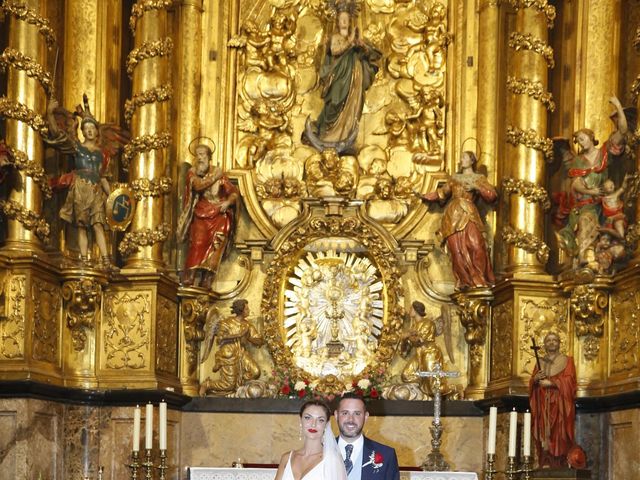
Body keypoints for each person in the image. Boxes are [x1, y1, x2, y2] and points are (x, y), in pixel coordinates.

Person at [45, 96, 127, 269]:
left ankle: (106, 261)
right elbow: (57, 134)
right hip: (80, 187)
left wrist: (111, 196)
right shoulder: (77, 148)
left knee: (98, 225)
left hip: (96, 189)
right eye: (86, 128)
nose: (89, 130)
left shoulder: (101, 153)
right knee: (82, 226)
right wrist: (50, 113)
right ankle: (83, 260)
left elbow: (103, 176)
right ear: (83, 131)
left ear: (97, 132)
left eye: (92, 128)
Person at [554, 96, 628, 267]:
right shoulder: (578, 161)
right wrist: (591, 192)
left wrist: (618, 106)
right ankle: (583, 257)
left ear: (590, 137)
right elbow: (576, 184)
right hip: (586, 203)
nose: (580, 142)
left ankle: (592, 256)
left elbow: (622, 131)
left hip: (604, 203)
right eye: (578, 140)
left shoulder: (604, 152)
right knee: (585, 219)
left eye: (582, 138)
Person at [302, 5, 382, 153]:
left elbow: (369, 55)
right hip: (337, 76)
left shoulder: (355, 38)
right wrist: (350, 43)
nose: (344, 22)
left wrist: (362, 46)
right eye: (341, 19)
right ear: (338, 21)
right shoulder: (336, 37)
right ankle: (327, 134)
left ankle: (345, 134)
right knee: (335, 102)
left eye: (346, 19)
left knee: (351, 104)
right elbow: (335, 50)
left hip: (353, 76)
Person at [417, 151, 497, 290]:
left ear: (472, 160)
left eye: (464, 157)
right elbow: (442, 193)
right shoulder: (454, 178)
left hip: (469, 212)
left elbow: (492, 195)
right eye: (461, 157)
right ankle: (464, 281)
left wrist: (476, 187)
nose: (461, 160)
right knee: (457, 251)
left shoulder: (478, 178)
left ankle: (479, 279)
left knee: (477, 245)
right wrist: (426, 196)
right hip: (452, 215)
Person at [177, 143, 238, 289]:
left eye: (202, 154)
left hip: (219, 215)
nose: (199, 158)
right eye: (197, 155)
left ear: (209, 157)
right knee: (197, 245)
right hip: (201, 214)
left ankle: (207, 279)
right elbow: (198, 186)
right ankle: (189, 276)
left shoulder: (219, 174)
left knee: (216, 246)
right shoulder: (192, 173)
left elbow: (234, 192)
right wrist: (214, 177)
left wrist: (227, 202)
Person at [528, 332, 578, 469]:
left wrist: (552, 383)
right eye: (548, 340)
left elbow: (570, 381)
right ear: (544, 344)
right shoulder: (540, 363)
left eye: (554, 340)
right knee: (544, 433)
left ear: (559, 343)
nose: (551, 342)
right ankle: (546, 461)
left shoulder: (568, 361)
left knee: (559, 433)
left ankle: (561, 462)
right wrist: (535, 379)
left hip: (560, 404)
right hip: (543, 403)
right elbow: (532, 384)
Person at [199, 299, 264, 396]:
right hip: (229, 355)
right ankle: (207, 384)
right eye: (246, 309)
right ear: (240, 310)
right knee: (228, 385)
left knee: (255, 372)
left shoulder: (247, 324)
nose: (249, 310)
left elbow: (259, 340)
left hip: (241, 353)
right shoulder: (226, 323)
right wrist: (239, 335)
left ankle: (239, 387)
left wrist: (250, 338)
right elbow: (220, 338)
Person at [275, 399, 346, 480]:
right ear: (300, 420)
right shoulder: (286, 458)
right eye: (308, 418)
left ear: (326, 424)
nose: (313, 424)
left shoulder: (333, 460)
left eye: (320, 420)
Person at [335, 392, 400, 480]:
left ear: (365, 417)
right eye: (345, 413)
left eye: (357, 413)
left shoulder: (386, 455)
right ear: (336, 415)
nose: (351, 419)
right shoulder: (321, 451)